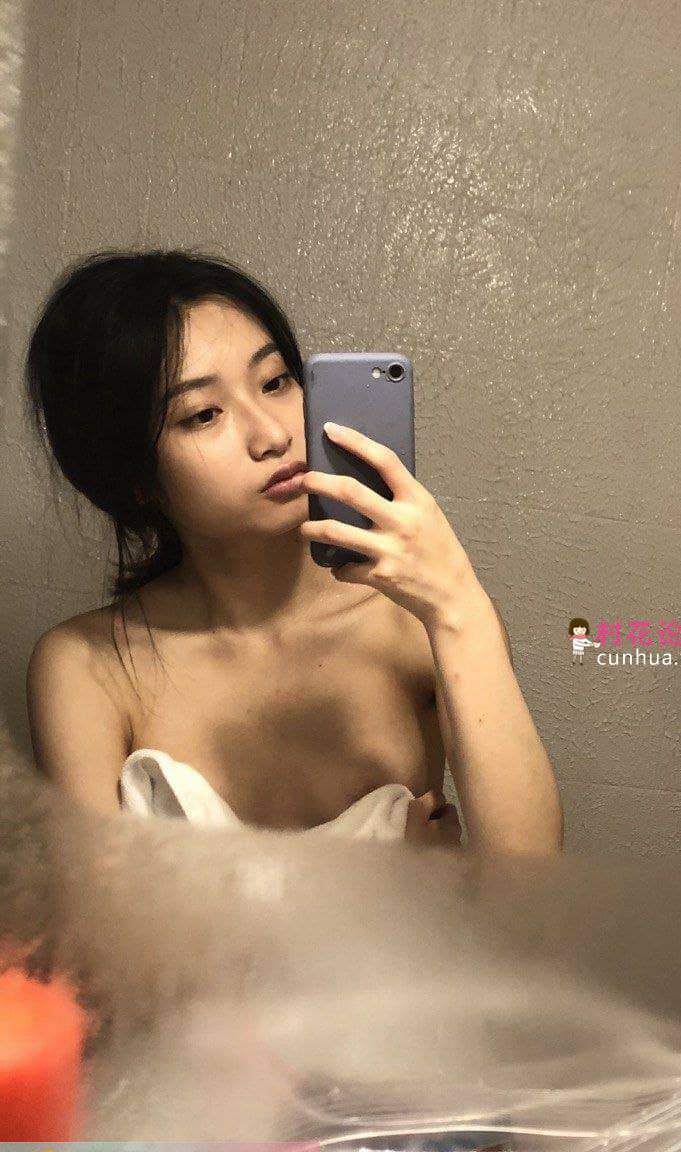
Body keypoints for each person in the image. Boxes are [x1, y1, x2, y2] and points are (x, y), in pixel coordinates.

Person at [22, 249, 563, 857]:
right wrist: (369, 889)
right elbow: (97, 914)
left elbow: (528, 884)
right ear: (133, 478)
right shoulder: (88, 665)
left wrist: (458, 606)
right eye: (203, 414)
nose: (273, 434)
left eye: (276, 381)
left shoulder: (415, 622)